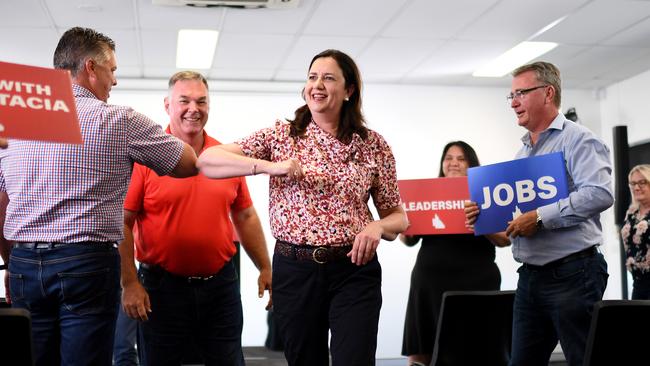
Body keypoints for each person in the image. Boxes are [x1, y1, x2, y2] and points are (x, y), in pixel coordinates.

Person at [196, 49, 409, 366]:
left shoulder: (373, 145)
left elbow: (398, 217)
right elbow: (207, 161)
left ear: (349, 90)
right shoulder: (281, 135)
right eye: (312, 77)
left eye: (328, 78)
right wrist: (267, 167)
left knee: (355, 359)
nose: (317, 85)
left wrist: (377, 226)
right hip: (295, 270)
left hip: (353, 270)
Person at [0, 27, 197, 366]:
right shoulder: (119, 120)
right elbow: (188, 164)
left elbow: (2, 201)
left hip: (24, 265)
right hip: (84, 265)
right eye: (113, 70)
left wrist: (10, 262)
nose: (115, 81)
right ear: (91, 68)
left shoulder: (17, 121)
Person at [119, 70, 272, 366]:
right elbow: (123, 222)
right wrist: (129, 284)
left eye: (202, 101)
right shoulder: (146, 157)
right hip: (160, 289)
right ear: (167, 105)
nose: (194, 109)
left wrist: (264, 267)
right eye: (184, 101)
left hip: (221, 287)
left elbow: (245, 214)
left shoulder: (225, 156)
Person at [465, 61, 612, 366]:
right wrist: (486, 218)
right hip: (530, 279)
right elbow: (514, 229)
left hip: (574, 275)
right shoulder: (522, 154)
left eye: (521, 93)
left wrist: (541, 217)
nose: (514, 102)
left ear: (548, 93)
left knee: (582, 360)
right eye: (511, 96)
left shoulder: (578, 139)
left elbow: (600, 193)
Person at [401, 141, 509, 366]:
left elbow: (505, 240)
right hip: (429, 282)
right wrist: (406, 222)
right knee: (423, 348)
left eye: (461, 159)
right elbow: (408, 240)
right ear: (442, 163)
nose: (453, 163)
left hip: (477, 283)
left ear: (471, 164)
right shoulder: (426, 193)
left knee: (478, 347)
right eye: (449, 158)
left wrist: (482, 222)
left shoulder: (487, 194)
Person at [621, 164, 650, 300]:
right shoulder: (632, 212)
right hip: (638, 282)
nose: (636, 187)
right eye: (633, 183)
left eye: (642, 182)